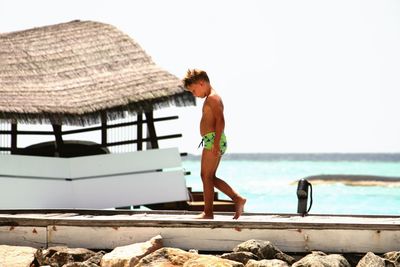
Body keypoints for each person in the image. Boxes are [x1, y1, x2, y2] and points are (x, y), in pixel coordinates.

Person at [183, 69, 246, 219]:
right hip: (212, 139)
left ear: (201, 83)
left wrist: (216, 142)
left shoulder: (213, 98)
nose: (194, 94)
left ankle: (208, 212)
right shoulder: (210, 98)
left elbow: (220, 120)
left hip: (214, 139)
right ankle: (237, 199)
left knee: (205, 176)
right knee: (209, 177)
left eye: (193, 90)